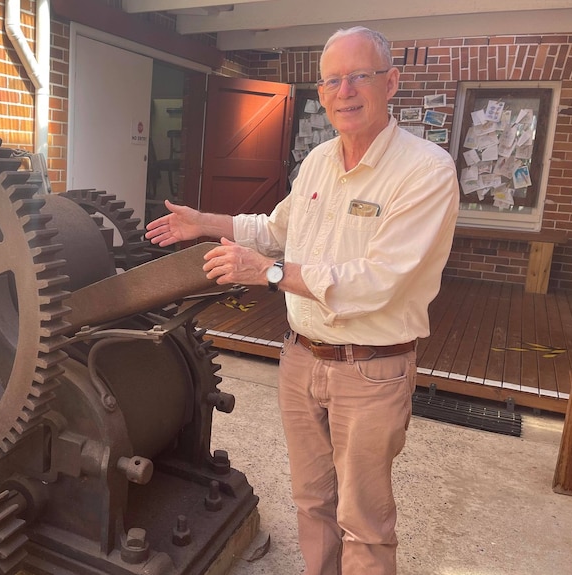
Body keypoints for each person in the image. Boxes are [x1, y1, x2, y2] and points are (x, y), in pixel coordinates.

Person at [145, 26, 459, 575]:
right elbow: (271, 228)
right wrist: (206, 223)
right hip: (300, 359)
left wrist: (267, 273)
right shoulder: (317, 161)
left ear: (391, 83)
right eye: (333, 80)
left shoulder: (425, 170)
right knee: (311, 503)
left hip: (371, 369)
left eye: (359, 76)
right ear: (321, 92)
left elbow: (379, 280)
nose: (346, 91)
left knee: (364, 520)